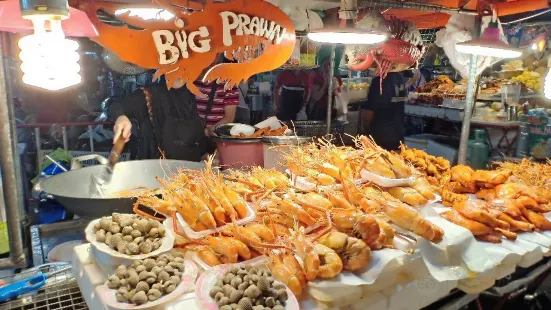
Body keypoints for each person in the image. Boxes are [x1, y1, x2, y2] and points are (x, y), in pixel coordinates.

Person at [110, 75, 207, 161]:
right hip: (156, 173)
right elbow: (112, 103)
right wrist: (120, 117)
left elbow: (197, 140)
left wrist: (208, 152)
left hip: (191, 174)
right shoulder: (150, 94)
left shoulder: (191, 95)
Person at [361, 72, 407, 151]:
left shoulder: (379, 81)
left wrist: (365, 131)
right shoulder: (400, 78)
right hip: (399, 135)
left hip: (381, 137)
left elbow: (369, 113)